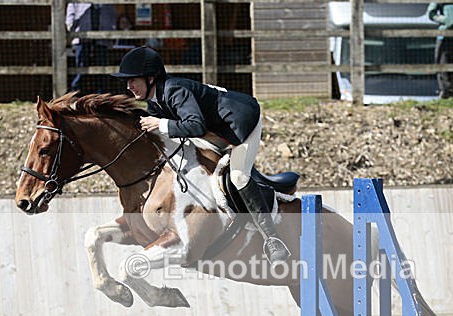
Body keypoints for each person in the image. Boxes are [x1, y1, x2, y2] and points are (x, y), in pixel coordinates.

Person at [110, 46, 291, 265]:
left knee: (238, 177)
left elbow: (195, 125)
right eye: (127, 81)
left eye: (133, 80)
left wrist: (161, 124)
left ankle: (273, 239)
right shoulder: (154, 103)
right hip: (214, 128)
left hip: (240, 124)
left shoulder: (175, 90)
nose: (128, 86)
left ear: (150, 78)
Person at [66, 3, 117, 93]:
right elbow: (71, 10)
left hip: (102, 36)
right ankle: (75, 94)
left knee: (102, 68)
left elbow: (112, 14)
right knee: (81, 67)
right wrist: (70, 25)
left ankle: (102, 96)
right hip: (81, 35)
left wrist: (111, 30)